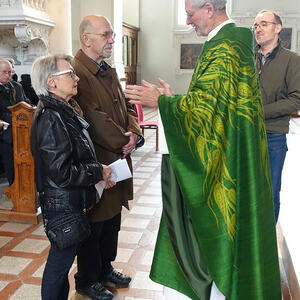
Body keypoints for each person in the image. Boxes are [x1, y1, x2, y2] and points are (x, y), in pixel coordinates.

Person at [124, 0, 282, 299]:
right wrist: (177, 99)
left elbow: (209, 112)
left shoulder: (225, 47)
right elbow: (215, 106)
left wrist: (162, 102)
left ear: (209, 8)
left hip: (228, 160)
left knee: (223, 230)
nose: (188, 21)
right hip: (234, 149)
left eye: (190, 13)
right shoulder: (230, 43)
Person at [30, 54, 115, 300]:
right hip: (63, 205)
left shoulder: (61, 109)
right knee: (59, 265)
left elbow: (74, 157)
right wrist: (98, 171)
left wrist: (97, 173)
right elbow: (62, 171)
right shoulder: (50, 117)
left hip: (70, 200)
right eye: (70, 74)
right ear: (52, 82)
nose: (76, 77)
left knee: (62, 262)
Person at [73, 15, 144, 300]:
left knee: (112, 218)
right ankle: (86, 279)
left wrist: (134, 134)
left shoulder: (106, 67)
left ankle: (105, 268)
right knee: (95, 223)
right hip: (99, 160)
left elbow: (125, 105)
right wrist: (122, 140)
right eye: (106, 35)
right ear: (86, 39)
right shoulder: (79, 69)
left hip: (118, 156)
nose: (111, 40)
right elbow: (94, 118)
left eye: (112, 35)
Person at [253, 10, 300, 222]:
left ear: (278, 28)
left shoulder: (292, 60)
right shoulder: (247, 59)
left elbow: (296, 99)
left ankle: (266, 247)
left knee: (269, 193)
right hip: (243, 133)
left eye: (264, 24)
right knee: (244, 190)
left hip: (273, 137)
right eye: (255, 26)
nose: (258, 29)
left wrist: (257, 112)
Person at [0, 59, 29, 185]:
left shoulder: (17, 86)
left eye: (10, 72)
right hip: (4, 134)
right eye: (4, 72)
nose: (8, 75)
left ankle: (24, 189)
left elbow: (26, 102)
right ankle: (14, 190)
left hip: (22, 132)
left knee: (25, 163)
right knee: (11, 163)